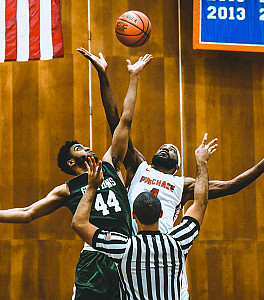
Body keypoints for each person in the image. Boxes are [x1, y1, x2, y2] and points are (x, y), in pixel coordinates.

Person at [77, 47, 264, 298]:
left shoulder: (183, 185)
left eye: (171, 149)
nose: (165, 148)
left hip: (166, 253)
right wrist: (102, 76)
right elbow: (116, 122)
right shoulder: (138, 166)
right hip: (133, 248)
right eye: (162, 147)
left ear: (177, 166)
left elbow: (231, 185)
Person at [0, 53, 153, 300]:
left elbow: (124, 119)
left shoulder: (110, 163)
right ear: (72, 162)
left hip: (124, 254)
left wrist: (128, 76)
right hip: (94, 259)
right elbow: (27, 213)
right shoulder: (67, 189)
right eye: (79, 148)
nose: (87, 148)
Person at [71, 133, 216, 300]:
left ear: (133, 214)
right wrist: (201, 163)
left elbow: (78, 223)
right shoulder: (178, 241)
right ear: (161, 214)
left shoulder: (123, 246)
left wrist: (92, 187)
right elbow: (200, 203)